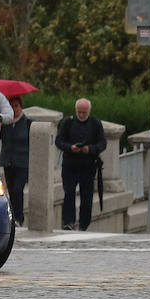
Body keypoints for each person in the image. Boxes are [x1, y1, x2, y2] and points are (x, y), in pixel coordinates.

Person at [55, 98, 106, 231]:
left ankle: (84, 224)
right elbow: (59, 141)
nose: (82, 115)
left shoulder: (95, 124)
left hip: (88, 166)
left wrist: (90, 149)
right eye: (79, 112)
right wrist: (71, 147)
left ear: (89, 111)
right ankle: (68, 222)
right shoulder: (68, 122)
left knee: (87, 197)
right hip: (70, 165)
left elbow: (102, 143)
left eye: (84, 112)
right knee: (69, 193)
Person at [1, 96, 31, 226]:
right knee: (11, 191)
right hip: (8, 162)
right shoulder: (5, 124)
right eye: (11, 107)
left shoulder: (28, 123)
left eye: (16, 106)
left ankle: (19, 217)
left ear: (21, 107)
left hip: (23, 162)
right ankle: (13, 217)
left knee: (18, 189)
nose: (14, 109)